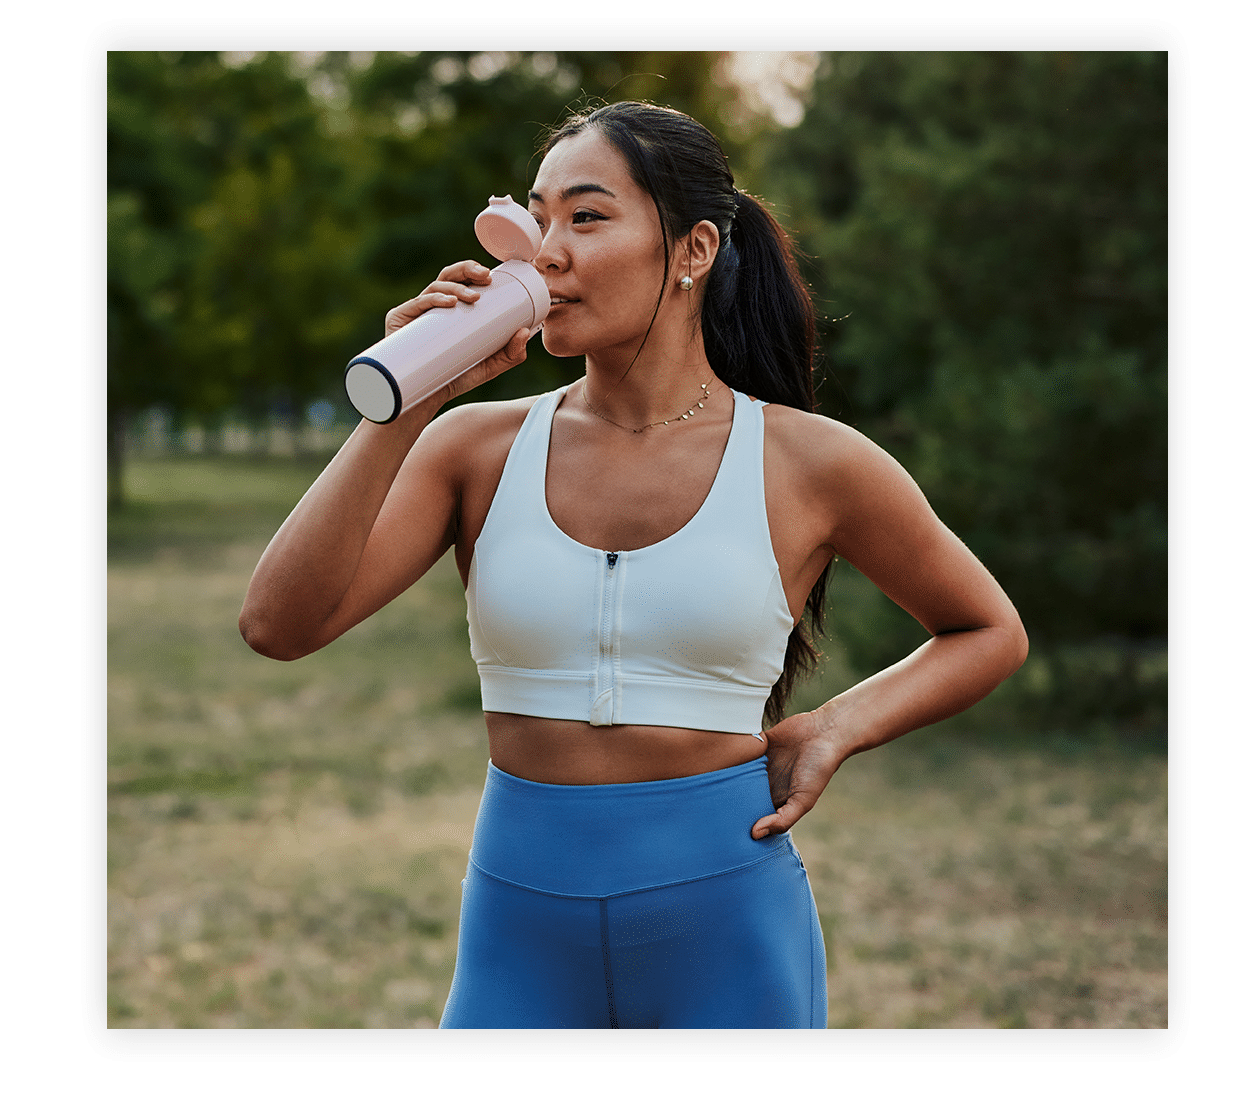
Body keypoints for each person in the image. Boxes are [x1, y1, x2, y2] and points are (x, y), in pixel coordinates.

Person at [239, 101, 1028, 1029]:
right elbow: (278, 626)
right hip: (516, 937)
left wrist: (836, 726)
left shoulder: (813, 462)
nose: (545, 251)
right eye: (535, 220)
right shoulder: (474, 447)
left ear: (692, 251)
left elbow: (987, 630)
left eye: (586, 216)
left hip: (729, 933)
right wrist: (404, 406)